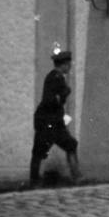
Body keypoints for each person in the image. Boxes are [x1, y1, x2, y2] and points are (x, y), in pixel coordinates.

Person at [28, 49, 80, 186]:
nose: (69, 67)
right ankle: (34, 181)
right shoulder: (54, 78)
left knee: (71, 145)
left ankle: (76, 176)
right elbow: (49, 100)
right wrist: (64, 94)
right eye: (68, 64)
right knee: (39, 151)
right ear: (63, 64)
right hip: (48, 123)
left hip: (54, 122)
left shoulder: (56, 77)